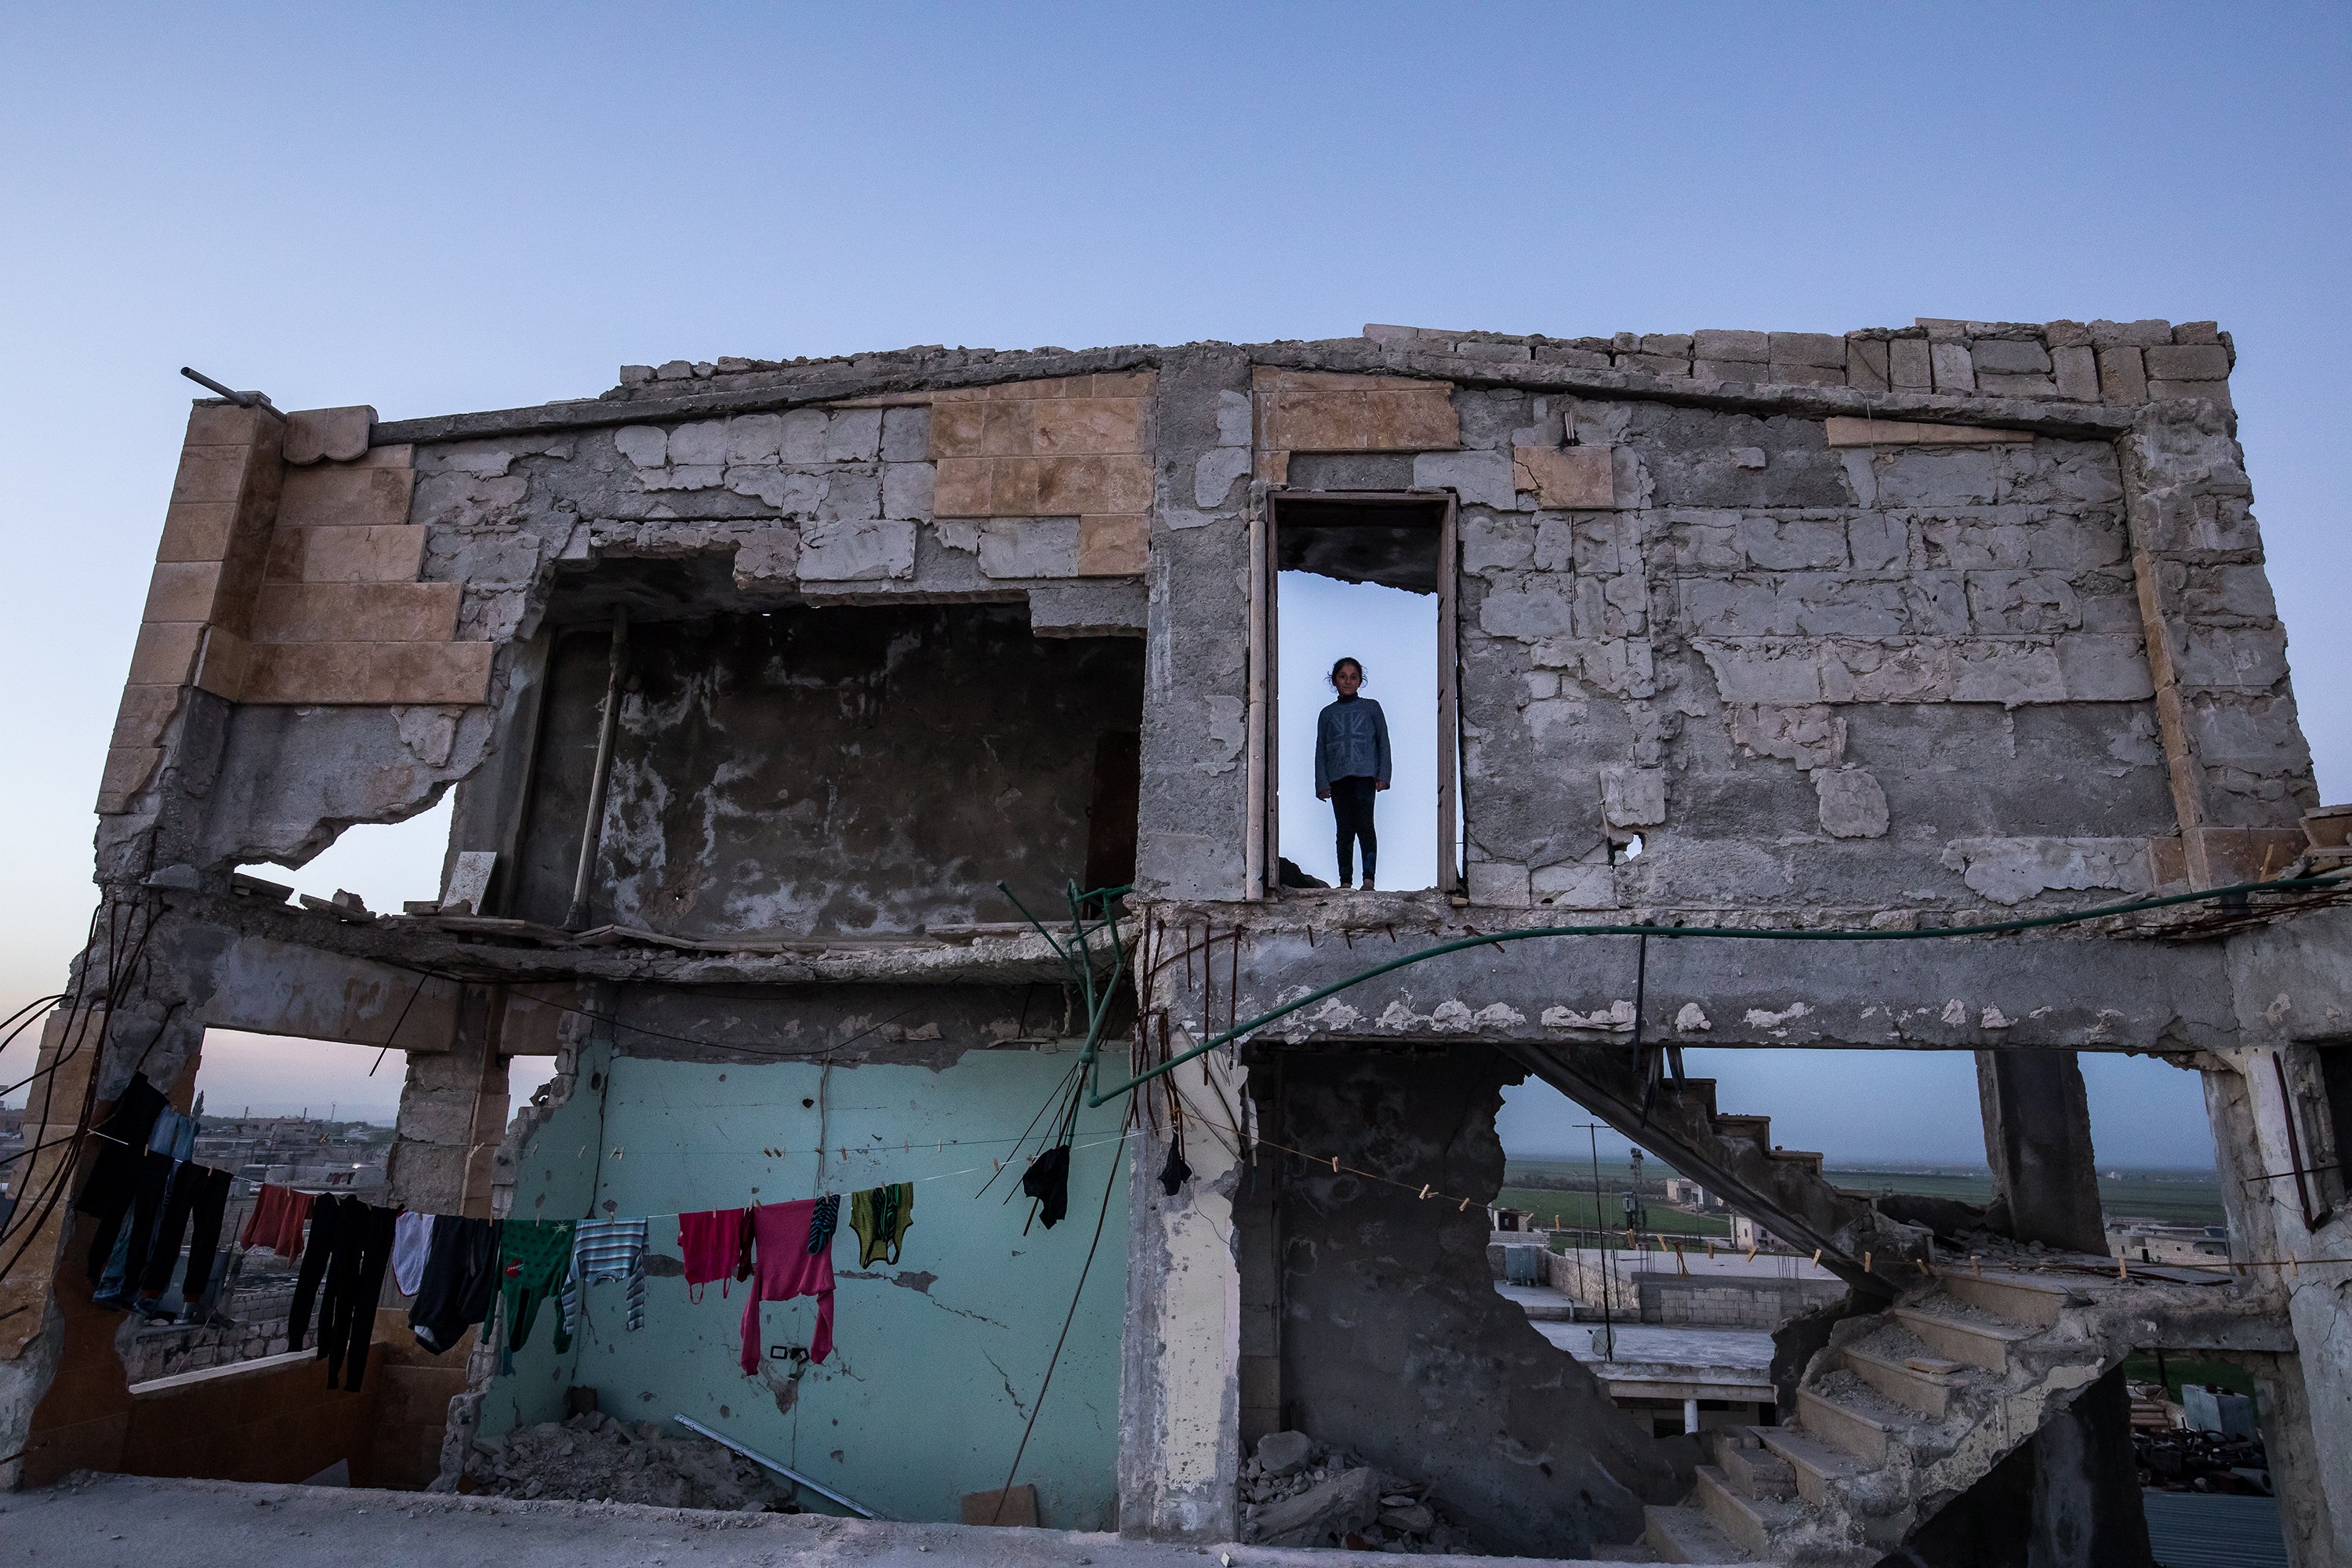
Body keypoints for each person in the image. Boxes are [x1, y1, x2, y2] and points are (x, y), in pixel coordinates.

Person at [1314, 656, 1390, 890]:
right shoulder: (1327, 714)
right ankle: (1345, 882)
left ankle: (1369, 880)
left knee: (1365, 826)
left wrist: (1383, 775)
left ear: (1360, 681)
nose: (1348, 681)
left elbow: (1383, 743)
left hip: (1365, 776)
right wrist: (1321, 782)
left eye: (1354, 677)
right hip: (1338, 779)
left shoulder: (1372, 708)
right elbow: (1321, 749)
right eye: (1343, 677)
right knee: (1344, 830)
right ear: (1334, 680)